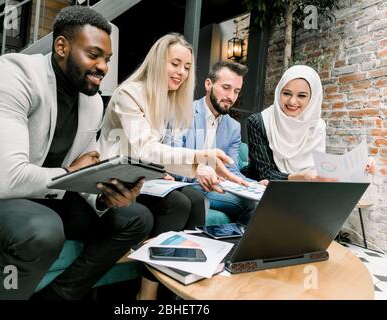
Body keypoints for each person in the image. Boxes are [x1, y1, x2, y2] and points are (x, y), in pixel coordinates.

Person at [0, 6, 153, 300]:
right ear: (61, 46)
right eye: (93, 55)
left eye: (107, 59)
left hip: (44, 197)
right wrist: (69, 173)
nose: (103, 67)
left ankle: (57, 297)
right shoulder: (14, 74)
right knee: (42, 228)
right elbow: (7, 180)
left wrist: (104, 194)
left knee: (135, 217)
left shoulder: (92, 103)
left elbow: (85, 167)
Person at [98, 33, 246, 300]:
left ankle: (181, 288)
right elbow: (146, 148)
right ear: (157, 61)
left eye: (187, 67)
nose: (181, 72)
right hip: (117, 179)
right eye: (175, 63)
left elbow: (157, 156)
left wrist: (194, 167)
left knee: (192, 196)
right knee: (178, 202)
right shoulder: (129, 94)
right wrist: (202, 159)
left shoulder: (167, 100)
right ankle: (147, 294)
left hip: (144, 178)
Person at [172, 61, 264, 225]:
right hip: (189, 184)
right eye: (226, 88)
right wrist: (199, 170)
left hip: (219, 185)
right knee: (251, 204)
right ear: (209, 84)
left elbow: (232, 170)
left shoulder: (233, 127)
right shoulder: (183, 112)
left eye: (236, 91)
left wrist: (255, 185)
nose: (231, 97)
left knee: (267, 199)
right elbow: (172, 160)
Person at [247, 65, 375, 181]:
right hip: (262, 189)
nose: (292, 102)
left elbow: (319, 169)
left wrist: (359, 167)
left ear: (312, 98)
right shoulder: (259, 122)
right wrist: (300, 176)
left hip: (304, 190)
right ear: (279, 92)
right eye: (286, 93)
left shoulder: (317, 126)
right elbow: (264, 174)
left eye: (301, 96)